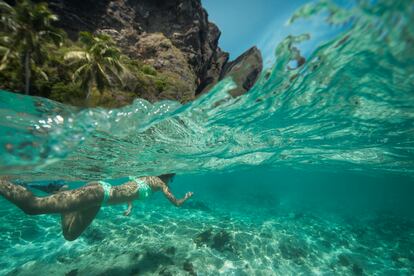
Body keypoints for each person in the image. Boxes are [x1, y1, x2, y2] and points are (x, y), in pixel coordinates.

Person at [0, 174, 193, 241]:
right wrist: (183, 198)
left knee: (69, 234)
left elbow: (129, 190)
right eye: (172, 178)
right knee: (33, 206)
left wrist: (129, 205)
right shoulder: (160, 183)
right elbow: (174, 202)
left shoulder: (146, 178)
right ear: (168, 175)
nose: (171, 182)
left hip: (100, 192)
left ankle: (61, 189)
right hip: (99, 194)